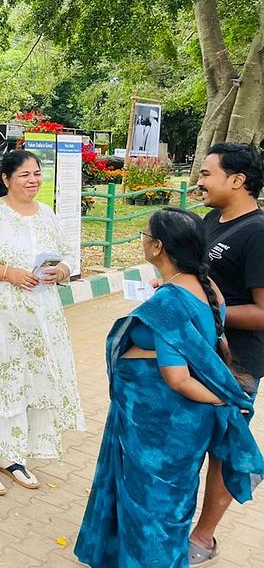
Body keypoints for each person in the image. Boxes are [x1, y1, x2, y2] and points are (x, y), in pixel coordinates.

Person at [75, 208, 263, 567]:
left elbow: (178, 379)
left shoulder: (169, 302)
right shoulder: (208, 289)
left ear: (158, 246)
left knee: (150, 515)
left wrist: (223, 398)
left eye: (145, 235)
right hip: (175, 426)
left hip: (159, 428)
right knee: (165, 508)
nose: (142, 239)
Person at [0, 150, 83, 495]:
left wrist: (62, 270)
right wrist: (9, 274)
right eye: (24, 174)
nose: (33, 180)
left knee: (26, 379)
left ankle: (11, 453)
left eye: (37, 173)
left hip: (40, 318)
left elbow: (69, 253)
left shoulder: (48, 216)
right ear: (7, 179)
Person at [188, 142, 264, 564]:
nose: (199, 182)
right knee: (187, 439)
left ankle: (203, 537)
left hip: (237, 365)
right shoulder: (210, 220)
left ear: (237, 180)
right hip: (197, 353)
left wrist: (206, 309)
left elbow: (262, 312)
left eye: (207, 174)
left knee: (222, 449)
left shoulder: (258, 234)